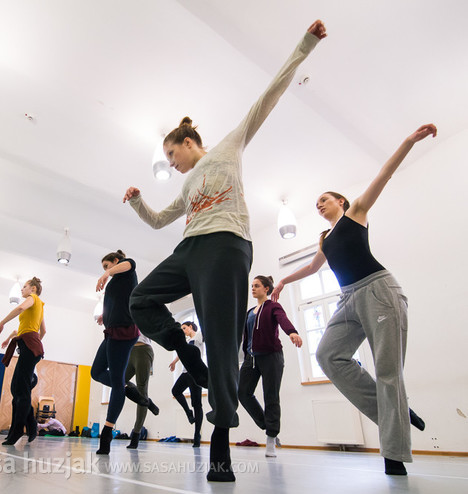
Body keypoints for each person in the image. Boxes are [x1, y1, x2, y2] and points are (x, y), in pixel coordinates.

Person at [123, 20, 327, 482]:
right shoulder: (187, 187)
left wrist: (304, 46)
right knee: (140, 300)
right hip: (190, 249)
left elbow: (266, 99)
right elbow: (159, 220)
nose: (172, 166)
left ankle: (220, 439)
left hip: (226, 246)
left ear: (189, 144)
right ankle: (187, 354)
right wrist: (137, 202)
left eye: (172, 156)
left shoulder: (227, 150)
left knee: (222, 341)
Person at [271, 124, 436, 475]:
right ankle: (399, 413)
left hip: (378, 290)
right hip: (348, 299)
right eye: (316, 204)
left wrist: (408, 141)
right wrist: (283, 279)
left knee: (388, 373)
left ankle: (394, 456)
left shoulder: (356, 212)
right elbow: (314, 268)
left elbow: (384, 175)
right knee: (328, 355)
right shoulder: (324, 239)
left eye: (324, 200)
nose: (319, 205)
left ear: (341, 202)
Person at [92, 249, 159, 455]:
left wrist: (106, 274)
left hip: (125, 332)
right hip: (112, 330)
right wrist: (106, 316)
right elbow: (119, 301)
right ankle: (130, 390)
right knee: (96, 372)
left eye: (107, 265)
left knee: (117, 381)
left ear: (116, 260)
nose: (106, 270)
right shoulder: (115, 281)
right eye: (103, 268)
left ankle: (107, 432)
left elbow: (128, 264)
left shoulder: (128, 267)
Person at [239, 275, 301, 457]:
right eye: (252, 286)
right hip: (251, 358)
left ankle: (271, 439)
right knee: (243, 393)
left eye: (256, 286)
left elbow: (282, 319)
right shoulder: (249, 312)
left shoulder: (273, 306)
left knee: (271, 396)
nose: (253, 289)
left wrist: (292, 332)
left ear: (267, 288)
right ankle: (268, 426)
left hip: (271, 356)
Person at [0, 277, 46, 445]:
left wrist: (2, 322)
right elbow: (41, 329)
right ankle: (29, 426)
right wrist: (13, 338)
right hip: (30, 346)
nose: (21, 289)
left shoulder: (33, 299)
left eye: (24, 287)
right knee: (16, 390)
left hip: (30, 348)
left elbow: (19, 308)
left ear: (33, 289)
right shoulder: (38, 306)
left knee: (21, 392)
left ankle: (18, 431)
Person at [169, 321, 205, 447]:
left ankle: (197, 435)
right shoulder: (185, 342)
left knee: (197, 405)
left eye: (184, 328)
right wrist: (174, 362)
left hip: (195, 374)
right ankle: (188, 413)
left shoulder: (199, 336)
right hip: (186, 373)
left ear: (190, 327)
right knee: (175, 391)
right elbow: (182, 353)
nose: (183, 331)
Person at [123, 329, 154, 449]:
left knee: (142, 389)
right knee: (118, 381)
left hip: (143, 349)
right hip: (129, 350)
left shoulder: (146, 311)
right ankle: (147, 401)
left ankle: (136, 435)